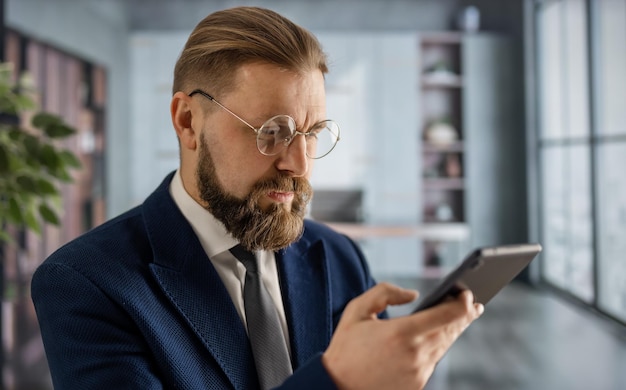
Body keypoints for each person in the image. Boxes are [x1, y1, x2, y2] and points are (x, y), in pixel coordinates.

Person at [31, 6, 483, 390]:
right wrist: (336, 380)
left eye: (312, 134)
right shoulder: (85, 283)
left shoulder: (341, 258)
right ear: (188, 121)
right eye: (273, 132)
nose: (300, 164)